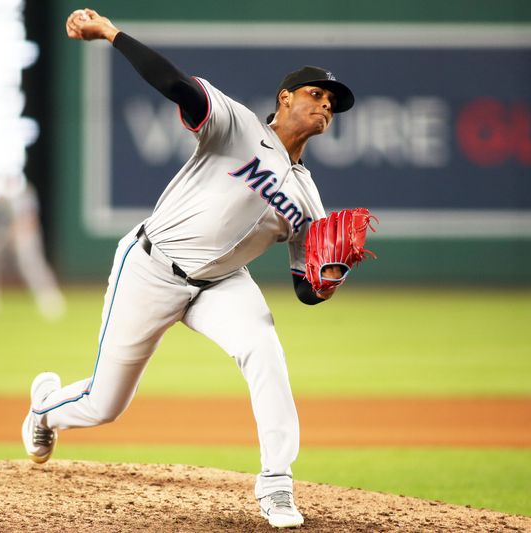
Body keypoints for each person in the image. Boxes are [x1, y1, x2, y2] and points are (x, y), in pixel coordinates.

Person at [22, 8, 355, 529]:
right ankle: (46, 410)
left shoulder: (309, 198)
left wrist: (328, 281)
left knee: (264, 350)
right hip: (151, 267)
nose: (326, 105)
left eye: (332, 104)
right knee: (105, 404)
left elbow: (306, 290)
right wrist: (111, 33)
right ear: (285, 97)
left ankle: (276, 483)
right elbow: (177, 85)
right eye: (317, 94)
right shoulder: (238, 126)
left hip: (222, 284)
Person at [0, 174, 65, 321]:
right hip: (4, 232)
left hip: (24, 233)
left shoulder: (26, 194)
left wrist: (17, 237)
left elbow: (30, 221)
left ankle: (48, 297)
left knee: (30, 263)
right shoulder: (0, 197)